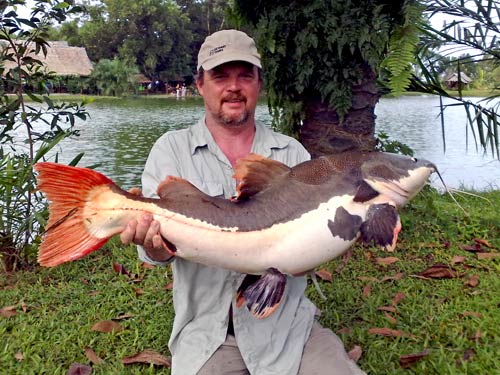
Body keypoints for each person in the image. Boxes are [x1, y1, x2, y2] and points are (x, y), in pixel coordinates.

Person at [120, 29, 366, 375]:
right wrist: (154, 244)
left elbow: (311, 250)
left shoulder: (292, 154)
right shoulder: (170, 150)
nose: (233, 87)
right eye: (220, 76)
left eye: (244, 75)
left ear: (258, 84)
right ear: (200, 84)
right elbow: (154, 255)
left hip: (289, 331)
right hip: (209, 335)